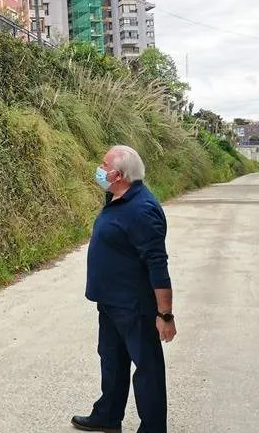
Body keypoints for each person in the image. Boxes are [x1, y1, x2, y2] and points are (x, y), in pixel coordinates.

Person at [72, 145, 177, 433]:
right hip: (110, 302)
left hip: (134, 306)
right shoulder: (117, 197)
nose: (99, 168)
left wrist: (165, 315)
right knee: (112, 360)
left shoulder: (142, 209)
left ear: (118, 174)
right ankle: (107, 416)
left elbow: (157, 264)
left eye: (103, 164)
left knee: (147, 370)